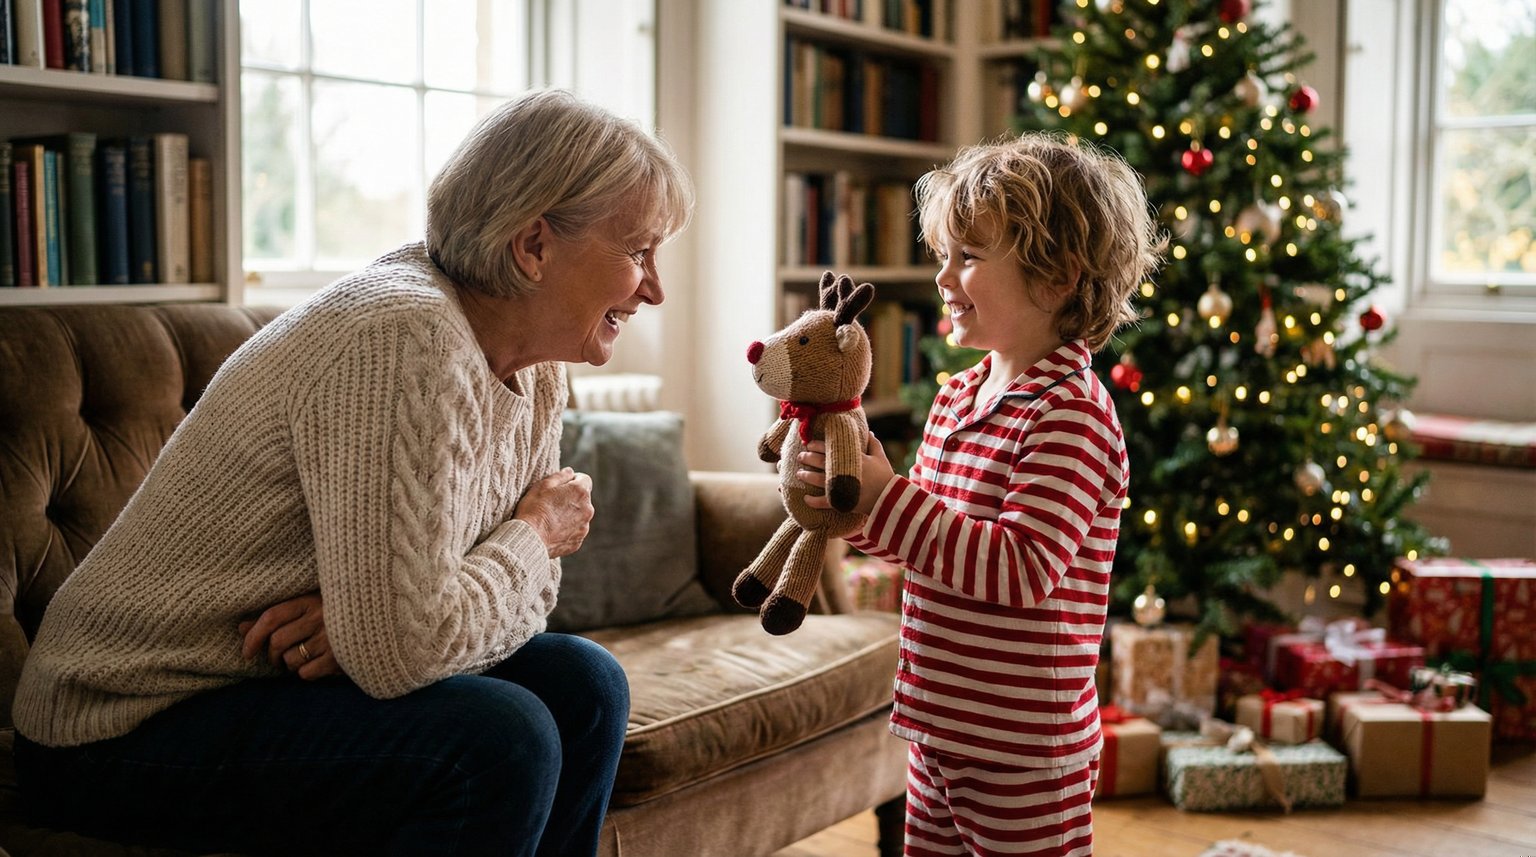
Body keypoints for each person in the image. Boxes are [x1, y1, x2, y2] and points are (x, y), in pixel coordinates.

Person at [12, 89, 693, 856]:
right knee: (502, 738)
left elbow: (522, 611)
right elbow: (419, 637)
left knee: (586, 683)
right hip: (119, 722)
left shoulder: (533, 367)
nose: (654, 288)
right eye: (638, 252)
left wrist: (366, 625)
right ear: (533, 246)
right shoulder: (401, 338)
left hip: (258, 686)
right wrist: (533, 532)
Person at [800, 133, 1163, 856]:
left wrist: (890, 501)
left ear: (1057, 277)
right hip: (940, 722)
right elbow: (930, 548)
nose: (943, 277)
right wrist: (858, 505)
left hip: (1025, 745)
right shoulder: (957, 397)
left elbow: (1022, 568)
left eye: (967, 257)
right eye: (944, 255)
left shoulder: (1072, 412)